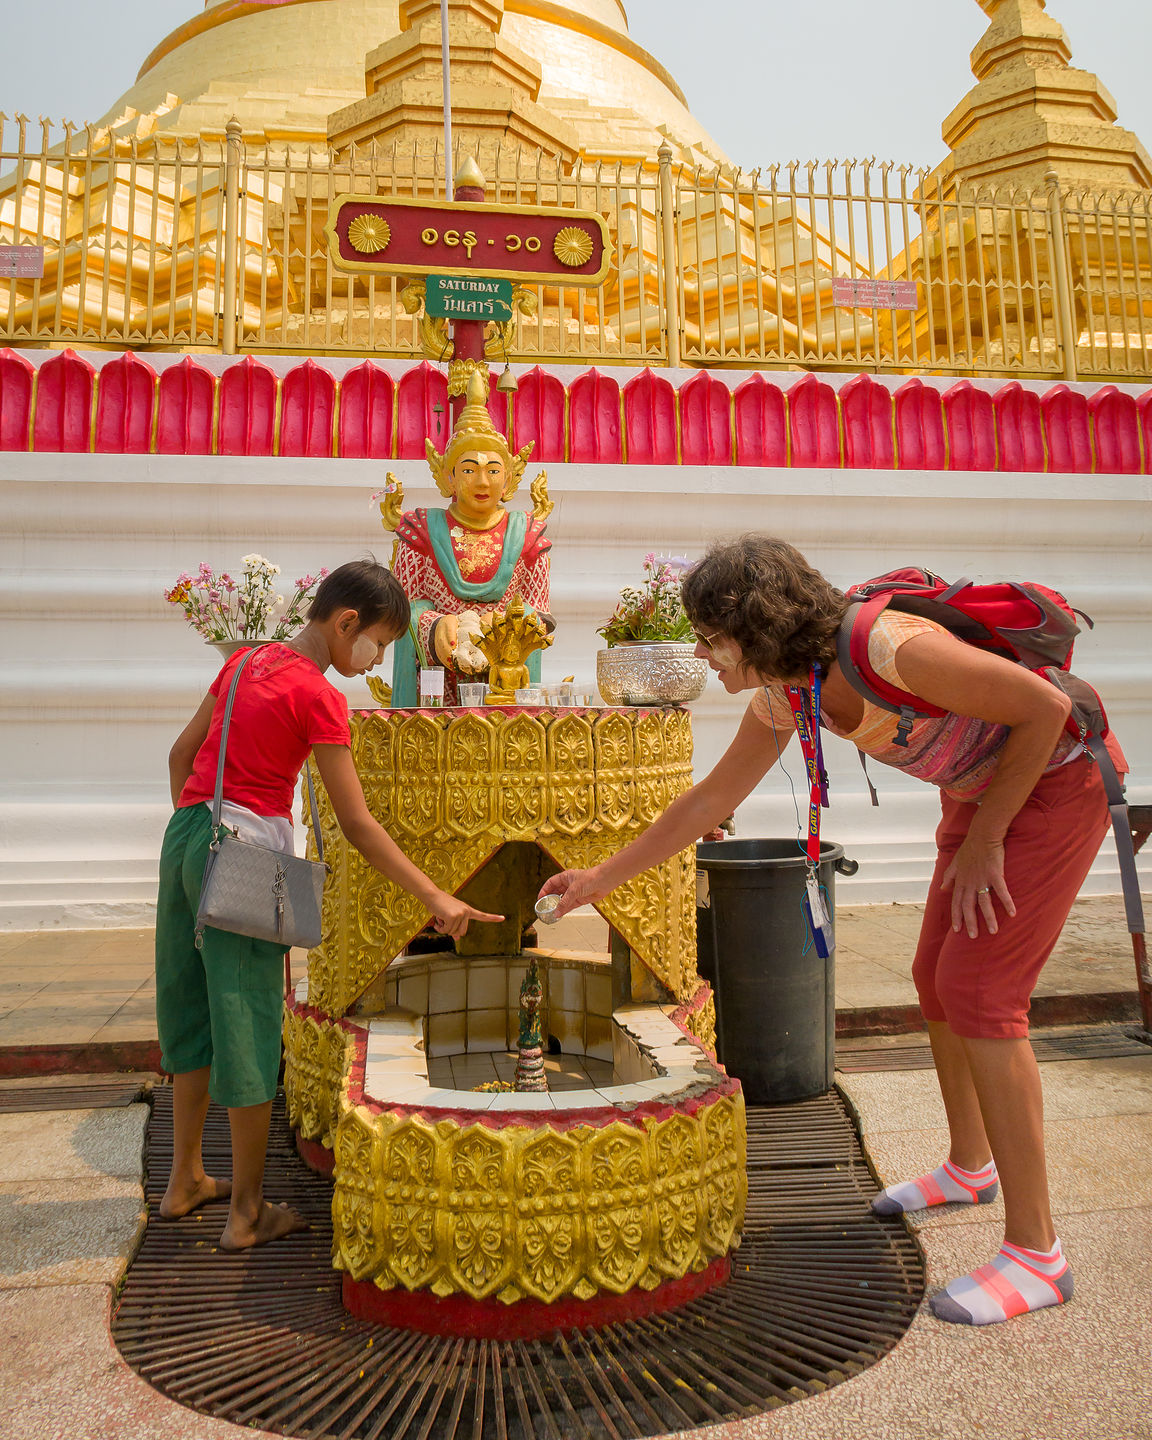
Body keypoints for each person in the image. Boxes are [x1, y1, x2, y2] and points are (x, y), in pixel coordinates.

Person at [540, 534, 1126, 1327]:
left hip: (1055, 781)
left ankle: (1037, 1254)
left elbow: (1046, 709)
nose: (707, 657)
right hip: (979, 788)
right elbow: (708, 802)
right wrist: (596, 881)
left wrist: (988, 839)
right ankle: (969, 1166)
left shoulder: (889, 649)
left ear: (756, 625)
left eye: (713, 638)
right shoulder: (787, 690)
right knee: (934, 978)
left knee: (982, 993)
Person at [156, 559, 502, 1250]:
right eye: (377, 641)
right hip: (247, 854)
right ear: (346, 623)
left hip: (188, 836)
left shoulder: (245, 661)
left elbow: (181, 753)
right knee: (250, 1022)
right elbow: (358, 826)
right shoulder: (319, 696)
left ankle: (184, 1179)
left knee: (191, 1007)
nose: (376, 656)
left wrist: (203, 837)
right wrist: (434, 893)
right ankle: (247, 1214)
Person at [387, 370, 551, 707]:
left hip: (502, 683)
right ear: (447, 476)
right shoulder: (420, 531)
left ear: (508, 480)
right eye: (468, 469)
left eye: (493, 470)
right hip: (434, 681)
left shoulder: (528, 536)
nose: (482, 481)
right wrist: (435, 626)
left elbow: (542, 617)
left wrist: (506, 627)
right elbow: (401, 610)